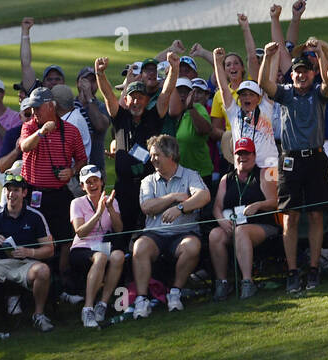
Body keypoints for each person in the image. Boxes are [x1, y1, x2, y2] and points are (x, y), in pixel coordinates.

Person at [262, 41, 328, 293]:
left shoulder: (318, 92)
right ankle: (292, 272)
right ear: (291, 74)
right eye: (297, 71)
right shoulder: (285, 93)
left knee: (316, 215)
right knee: (290, 217)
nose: (301, 75)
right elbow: (264, 84)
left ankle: (314, 269)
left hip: (315, 157)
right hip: (290, 161)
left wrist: (321, 54)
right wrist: (269, 57)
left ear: (312, 73)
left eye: (306, 70)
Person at [129, 135, 211, 317]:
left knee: (191, 247)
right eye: (151, 155)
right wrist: (173, 198)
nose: (152, 159)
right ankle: (142, 299)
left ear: (171, 155)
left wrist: (180, 209)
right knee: (139, 247)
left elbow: (204, 196)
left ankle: (175, 292)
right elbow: (146, 207)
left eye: (157, 155)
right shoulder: (147, 181)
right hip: (155, 234)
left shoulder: (190, 175)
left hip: (184, 232)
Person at [0, 171, 54, 334]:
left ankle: (39, 315)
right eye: (8, 190)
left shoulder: (35, 216)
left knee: (43, 270)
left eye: (16, 190)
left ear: (24, 192)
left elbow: (49, 249)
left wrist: (30, 252)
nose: (11, 194)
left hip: (25, 264)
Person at [94, 58, 164, 251]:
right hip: (124, 188)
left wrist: (173, 71)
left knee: (149, 233)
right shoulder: (120, 118)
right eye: (133, 97)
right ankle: (121, 271)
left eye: (141, 97)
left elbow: (165, 94)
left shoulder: (153, 118)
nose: (136, 101)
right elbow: (108, 95)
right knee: (121, 233)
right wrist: (100, 74)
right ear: (126, 99)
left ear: (147, 100)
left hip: (149, 187)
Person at [208, 138, 280, 300]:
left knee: (241, 232)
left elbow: (274, 201)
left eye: (246, 153)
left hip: (261, 225)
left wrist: (258, 205)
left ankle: (247, 282)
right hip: (232, 224)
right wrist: (221, 221)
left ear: (254, 155)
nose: (242, 157)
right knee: (215, 234)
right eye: (239, 154)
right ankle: (223, 282)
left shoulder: (263, 173)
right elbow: (217, 207)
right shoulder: (226, 179)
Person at [17, 86, 87, 244]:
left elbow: (82, 159)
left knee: (65, 237)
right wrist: (41, 132)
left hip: (59, 192)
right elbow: (25, 146)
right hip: (34, 192)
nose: (34, 112)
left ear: (50, 106)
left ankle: (63, 268)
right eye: (32, 108)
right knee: (33, 237)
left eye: (37, 107)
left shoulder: (71, 131)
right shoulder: (29, 126)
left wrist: (73, 170)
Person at [69, 165, 125, 327]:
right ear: (82, 186)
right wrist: (98, 213)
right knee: (100, 258)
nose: (93, 185)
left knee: (118, 256)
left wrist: (110, 209)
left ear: (101, 182)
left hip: (103, 245)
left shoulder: (112, 201)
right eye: (88, 182)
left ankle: (103, 304)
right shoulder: (77, 203)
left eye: (95, 181)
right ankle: (88, 308)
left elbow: (119, 229)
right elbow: (80, 233)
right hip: (82, 247)